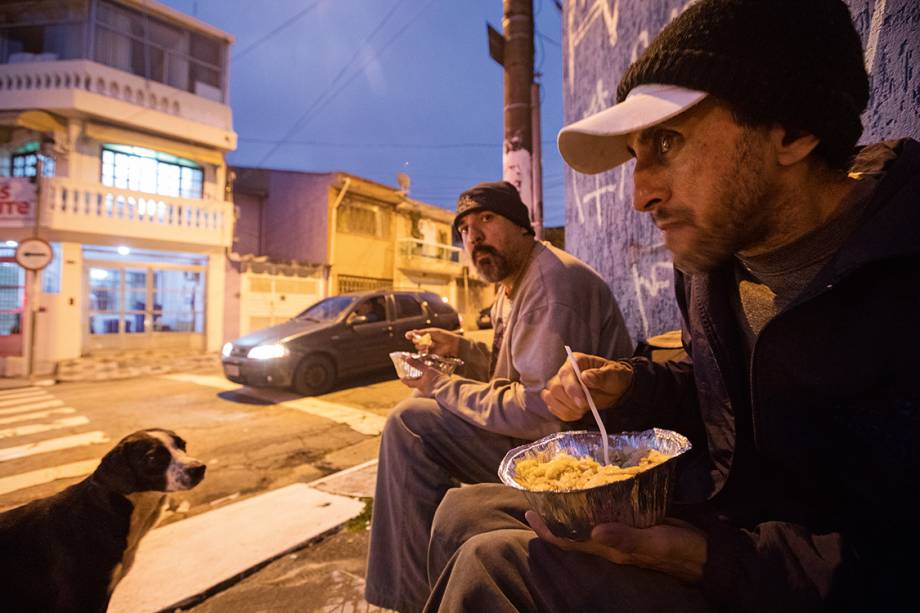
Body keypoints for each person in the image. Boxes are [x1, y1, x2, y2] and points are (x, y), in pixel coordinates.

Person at [422, 1, 920, 611]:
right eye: (636, 155)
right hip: (721, 518)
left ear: (791, 129)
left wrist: (707, 557)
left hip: (787, 580)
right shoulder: (714, 265)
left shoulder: (898, 272)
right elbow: (717, 396)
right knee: (461, 511)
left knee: (489, 567)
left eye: (666, 141)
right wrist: (628, 389)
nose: (640, 195)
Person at [365, 181, 634, 612]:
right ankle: (421, 589)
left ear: (523, 226)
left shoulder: (551, 286)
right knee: (415, 419)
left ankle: (411, 600)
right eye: (465, 229)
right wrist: (457, 347)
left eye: (486, 220)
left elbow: (540, 412)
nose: (474, 237)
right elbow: (509, 367)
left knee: (410, 425)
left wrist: (440, 384)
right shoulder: (514, 284)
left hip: (577, 454)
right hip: (545, 436)